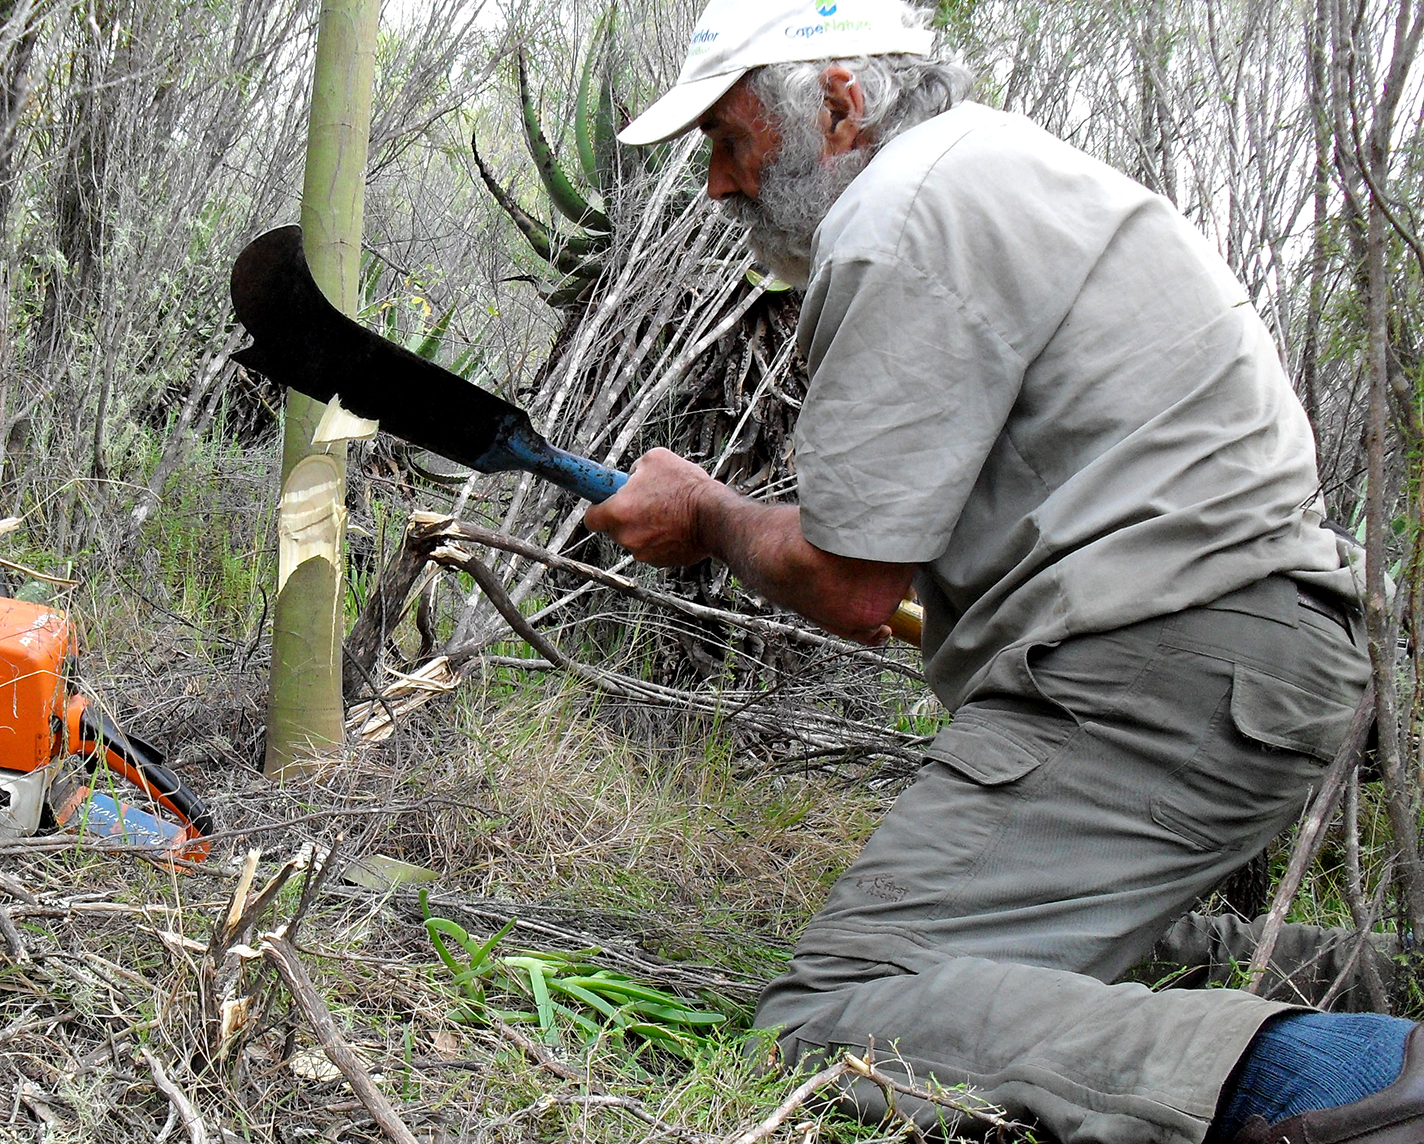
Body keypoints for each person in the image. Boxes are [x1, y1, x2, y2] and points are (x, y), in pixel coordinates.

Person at [583, 2, 1418, 1141]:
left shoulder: (897, 210)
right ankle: (1377, 972)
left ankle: (1367, 1081)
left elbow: (849, 585)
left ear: (836, 106)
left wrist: (708, 513)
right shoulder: (998, 171)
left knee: (831, 1013)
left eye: (730, 140)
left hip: (1167, 663)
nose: (720, 184)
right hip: (1256, 652)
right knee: (1087, 932)